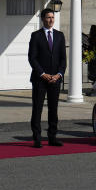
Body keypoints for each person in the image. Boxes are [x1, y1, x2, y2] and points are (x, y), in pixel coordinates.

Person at [28, 8, 66, 147]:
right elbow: (32, 58)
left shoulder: (60, 36)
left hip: (55, 79)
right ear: (43, 19)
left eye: (52, 17)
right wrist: (43, 74)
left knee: (53, 109)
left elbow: (63, 59)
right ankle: (37, 138)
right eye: (48, 17)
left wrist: (59, 74)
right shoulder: (36, 36)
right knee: (37, 109)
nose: (51, 20)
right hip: (40, 79)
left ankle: (52, 137)